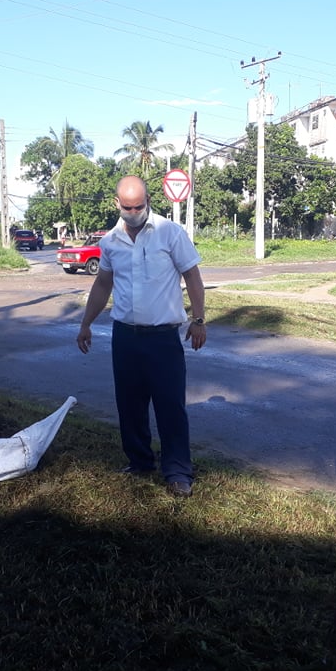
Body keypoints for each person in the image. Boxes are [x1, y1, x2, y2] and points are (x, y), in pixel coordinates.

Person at [76, 176, 207, 497]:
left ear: (148, 200)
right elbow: (103, 285)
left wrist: (199, 319)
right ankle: (139, 462)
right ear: (117, 204)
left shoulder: (170, 233)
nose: (134, 212)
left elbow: (192, 275)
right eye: (128, 207)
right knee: (130, 404)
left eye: (140, 206)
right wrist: (86, 323)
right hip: (126, 337)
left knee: (170, 406)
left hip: (163, 338)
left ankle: (177, 471)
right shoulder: (109, 242)